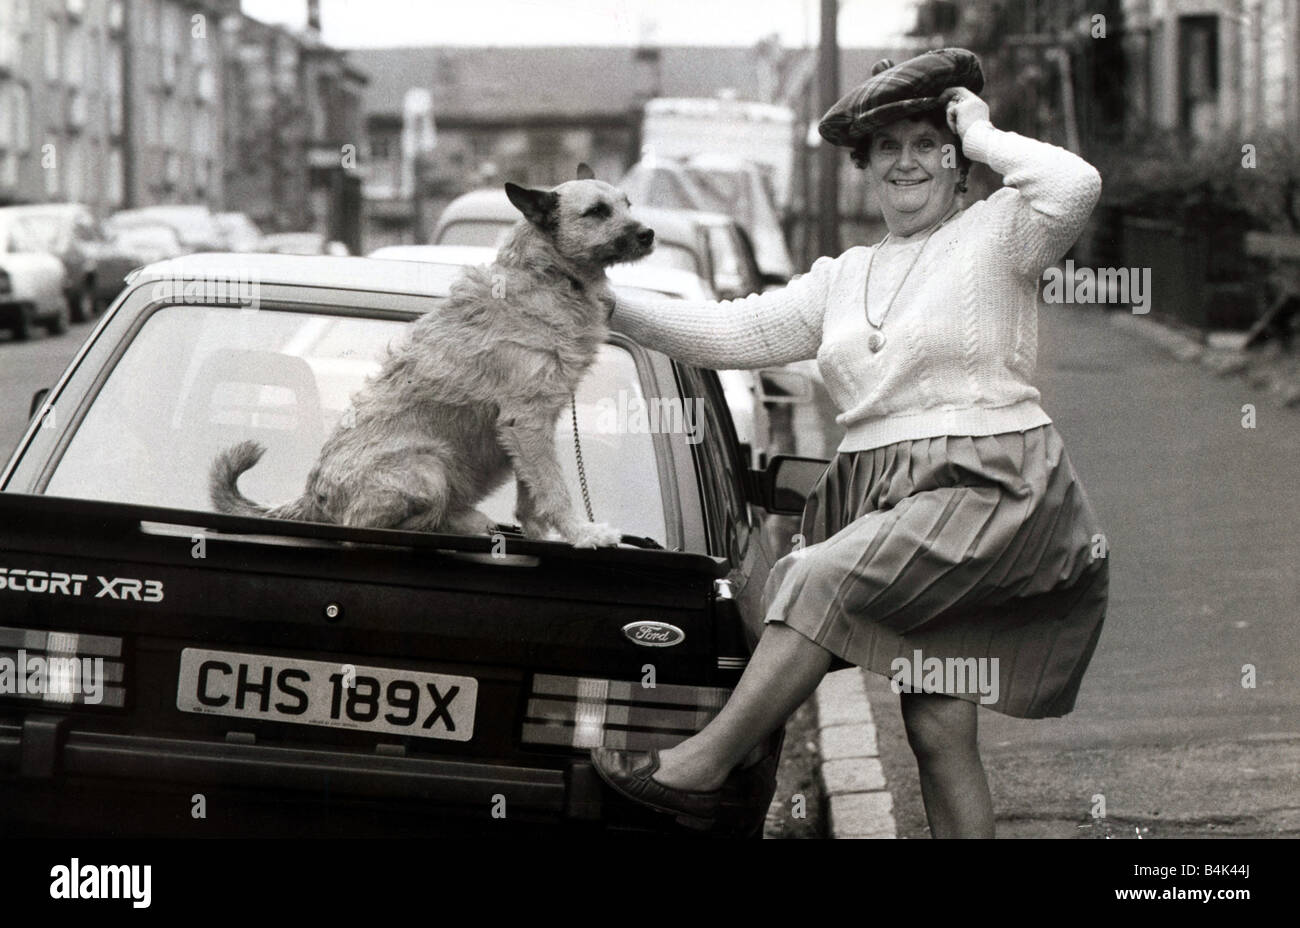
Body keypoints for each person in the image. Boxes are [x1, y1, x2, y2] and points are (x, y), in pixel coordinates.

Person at [590, 48, 1109, 837]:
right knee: (937, 727)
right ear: (865, 168)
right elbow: (735, 329)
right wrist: (609, 306)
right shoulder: (845, 275)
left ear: (955, 159)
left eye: (925, 144)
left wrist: (983, 131)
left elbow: (1076, 185)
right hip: (885, 491)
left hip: (989, 486)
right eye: (886, 148)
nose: (906, 163)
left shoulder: (1003, 234)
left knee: (815, 578)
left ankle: (703, 768)